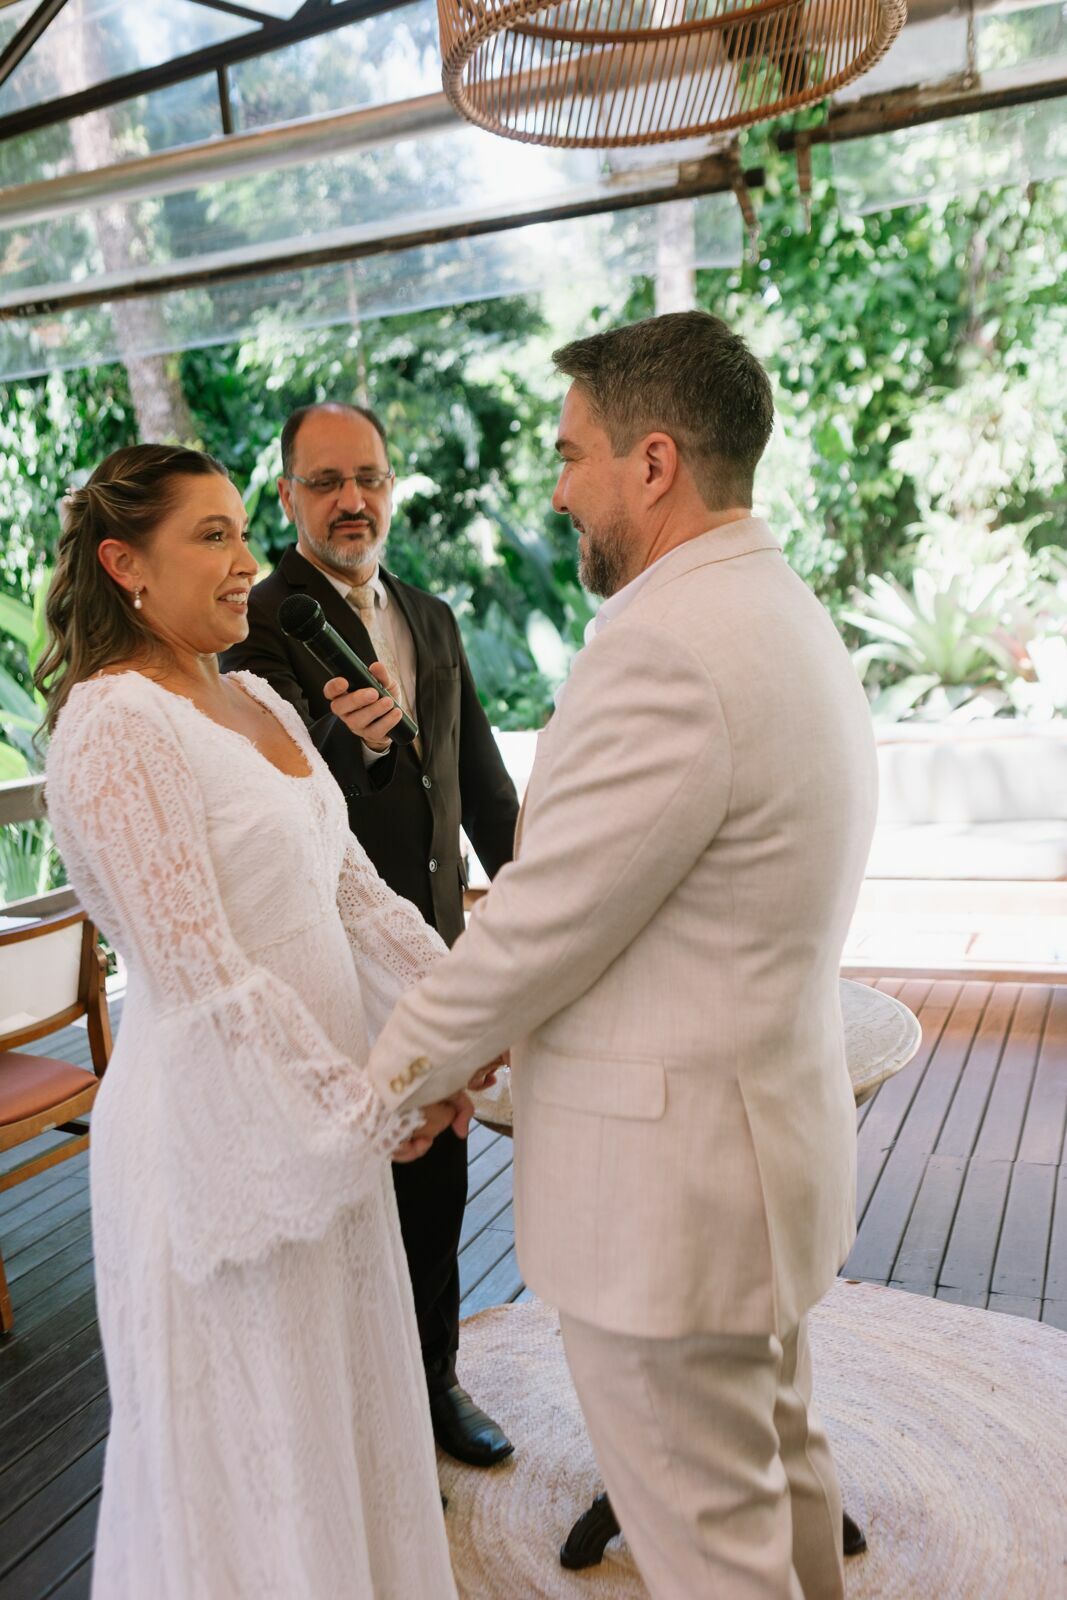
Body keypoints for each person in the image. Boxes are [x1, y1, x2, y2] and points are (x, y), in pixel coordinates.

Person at [358, 312, 880, 1598]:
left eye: (571, 452)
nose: (554, 486)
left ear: (653, 464)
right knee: (777, 1472)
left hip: (670, 1196)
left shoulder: (659, 645)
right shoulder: (780, 607)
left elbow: (544, 916)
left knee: (706, 1549)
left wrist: (403, 1069)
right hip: (753, 1157)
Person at [38, 444, 482, 1599]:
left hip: (326, 1125)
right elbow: (201, 977)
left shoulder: (262, 695)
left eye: (243, 532)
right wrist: (369, 1105)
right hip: (225, 1138)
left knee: (340, 1413)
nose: (248, 565)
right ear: (122, 563)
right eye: (213, 538)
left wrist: (468, 1030)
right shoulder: (112, 726)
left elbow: (362, 906)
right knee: (255, 1443)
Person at [221, 402, 518, 1467]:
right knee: (345, 1188)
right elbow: (277, 806)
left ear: (391, 485)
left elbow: (479, 785)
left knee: (436, 1178)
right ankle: (352, 1408)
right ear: (289, 495)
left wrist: (531, 914)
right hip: (324, 960)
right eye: (326, 481)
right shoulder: (252, 623)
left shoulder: (429, 616)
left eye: (370, 477)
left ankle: (433, 1381)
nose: (353, 500)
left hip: (428, 948)